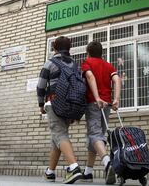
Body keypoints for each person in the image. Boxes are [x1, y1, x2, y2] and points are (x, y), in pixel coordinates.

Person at [37, 36, 83, 184]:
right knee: (57, 138)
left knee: (59, 134)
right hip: (70, 105)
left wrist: (40, 104)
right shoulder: (75, 65)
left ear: (55, 48)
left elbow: (40, 85)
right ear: (69, 48)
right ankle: (50, 172)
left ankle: (74, 167)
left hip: (54, 102)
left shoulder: (50, 62)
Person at [80, 41, 122, 184]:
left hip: (94, 103)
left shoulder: (87, 62)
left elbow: (90, 77)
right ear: (101, 53)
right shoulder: (108, 65)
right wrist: (116, 99)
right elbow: (117, 79)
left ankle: (108, 163)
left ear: (88, 52)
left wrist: (96, 97)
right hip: (107, 104)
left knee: (94, 135)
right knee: (97, 137)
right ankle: (88, 173)